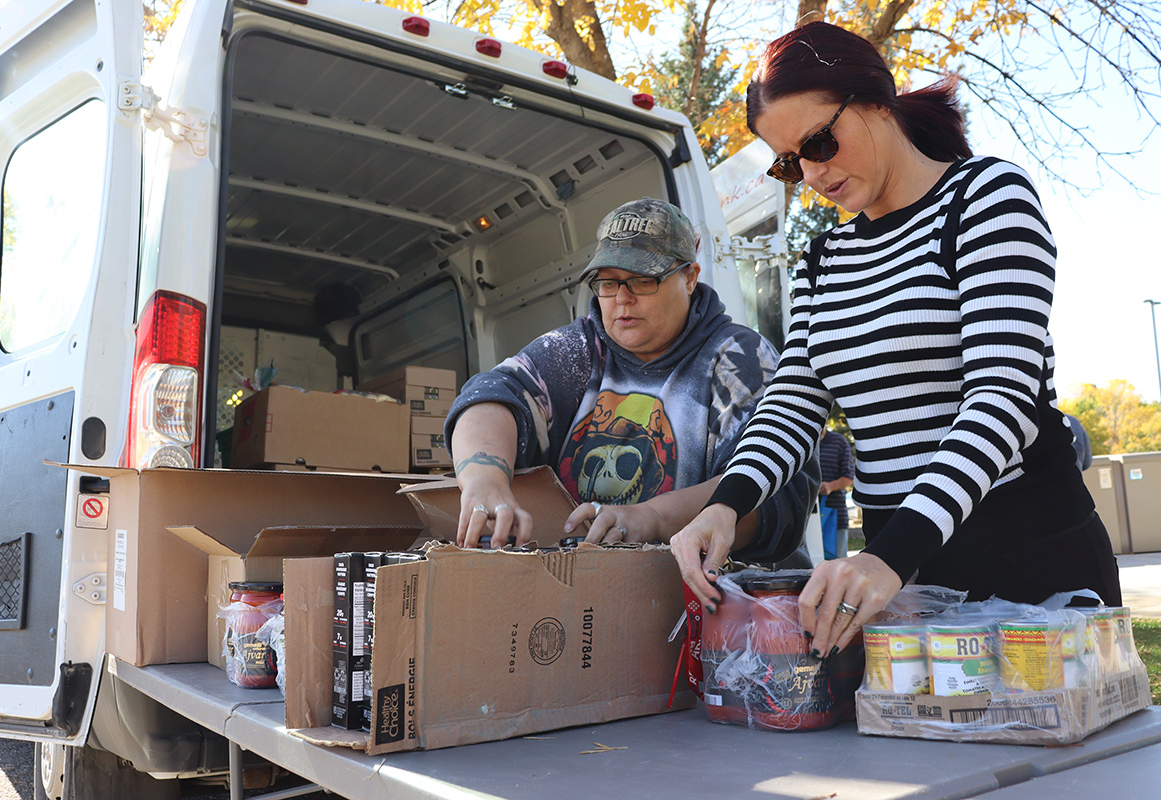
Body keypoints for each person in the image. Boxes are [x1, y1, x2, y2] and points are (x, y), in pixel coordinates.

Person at [670, 21, 1122, 663]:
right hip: (900, 579)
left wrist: (890, 555)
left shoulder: (985, 199)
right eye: (791, 161)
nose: (814, 174)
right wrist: (725, 504)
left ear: (877, 101)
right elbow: (794, 402)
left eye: (820, 141)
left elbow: (1003, 396)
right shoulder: (822, 261)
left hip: (1025, 562)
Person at [445, 198, 819, 562]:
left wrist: (652, 518)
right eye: (607, 282)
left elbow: (776, 495)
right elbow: (493, 396)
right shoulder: (576, 349)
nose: (622, 299)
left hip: (727, 605)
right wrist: (484, 481)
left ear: (690, 277)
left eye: (642, 281)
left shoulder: (740, 358)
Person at [818, 426, 854, 559]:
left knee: (837, 564)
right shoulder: (802, 442)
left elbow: (849, 478)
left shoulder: (839, 441)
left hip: (835, 514)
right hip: (805, 520)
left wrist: (830, 486)